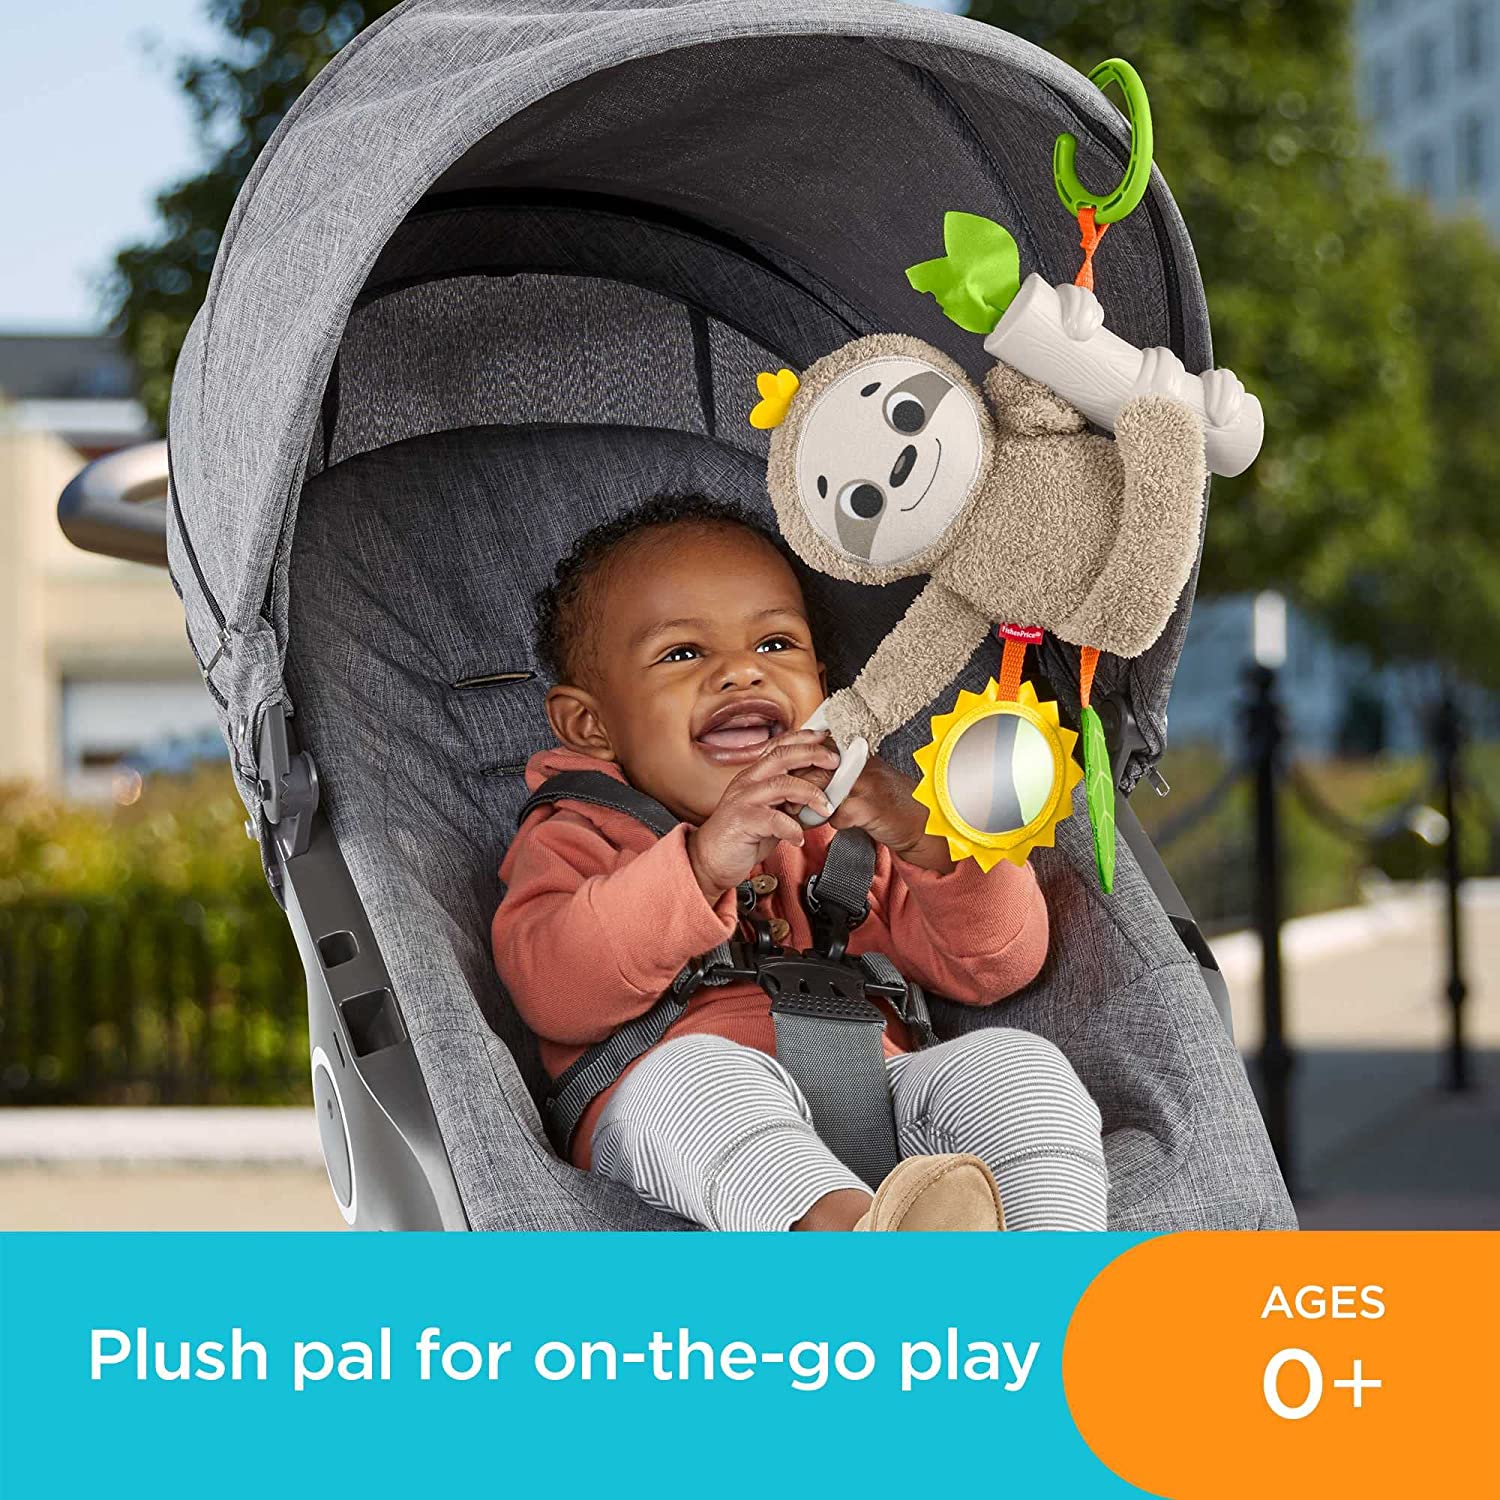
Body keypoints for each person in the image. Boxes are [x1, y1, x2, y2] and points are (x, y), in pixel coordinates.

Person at [492, 496, 1106, 1231]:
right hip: (683, 1128)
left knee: (1017, 1065)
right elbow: (555, 990)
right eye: (683, 654)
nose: (742, 674)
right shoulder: (581, 831)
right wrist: (701, 866)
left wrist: (923, 837)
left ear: (822, 685)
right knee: (696, 1082)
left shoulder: (846, 837)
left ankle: (1042, 1268)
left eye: (775, 644)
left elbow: (998, 964)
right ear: (591, 724)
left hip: (878, 1097)